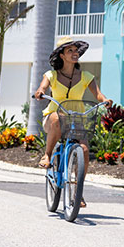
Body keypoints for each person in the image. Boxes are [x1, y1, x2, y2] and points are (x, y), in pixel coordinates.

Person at [33, 36, 111, 207]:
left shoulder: (86, 76)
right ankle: (47, 154)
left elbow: (98, 94)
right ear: (62, 55)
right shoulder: (51, 75)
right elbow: (42, 87)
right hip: (53, 117)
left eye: (76, 50)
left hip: (76, 119)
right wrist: (40, 92)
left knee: (83, 149)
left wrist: (105, 99)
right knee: (56, 116)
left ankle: (78, 192)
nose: (75, 53)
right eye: (70, 51)